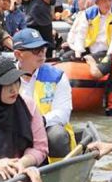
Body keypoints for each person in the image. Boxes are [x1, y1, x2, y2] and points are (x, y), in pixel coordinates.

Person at [12, 28, 75, 159]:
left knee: (57, 135)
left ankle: (60, 174)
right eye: (36, 50)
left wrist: (38, 121)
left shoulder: (57, 76)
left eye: (43, 49)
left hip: (46, 127)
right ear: (18, 54)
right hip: (15, 129)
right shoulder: (7, 77)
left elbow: (63, 113)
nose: (41, 54)